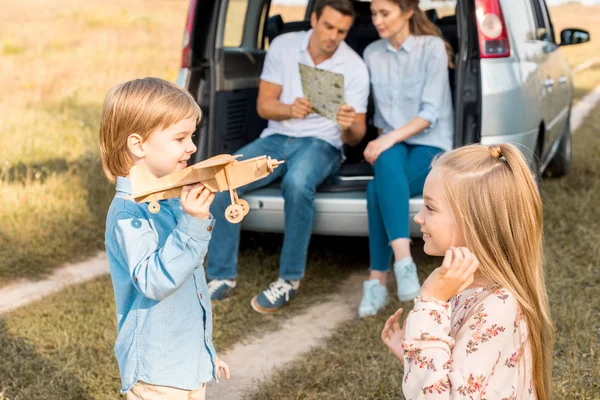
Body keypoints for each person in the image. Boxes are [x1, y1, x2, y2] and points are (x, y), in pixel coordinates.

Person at [207, 0, 370, 313]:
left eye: (342, 31)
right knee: (225, 179)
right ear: (313, 19)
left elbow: (356, 136)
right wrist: (288, 109)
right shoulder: (284, 45)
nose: (333, 36)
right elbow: (264, 106)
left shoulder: (355, 67)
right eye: (328, 27)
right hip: (277, 137)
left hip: (322, 143)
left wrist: (348, 127)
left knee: (297, 184)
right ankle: (222, 276)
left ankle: (289, 279)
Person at [381, 144, 554, 399]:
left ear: (473, 222)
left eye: (430, 207)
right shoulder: (469, 287)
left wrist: (431, 302)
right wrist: (413, 353)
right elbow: (457, 371)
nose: (418, 217)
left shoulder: (497, 308)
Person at [100, 77, 230, 400]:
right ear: (138, 144)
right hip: (157, 372)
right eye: (180, 138)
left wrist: (206, 354)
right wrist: (192, 225)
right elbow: (153, 280)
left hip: (185, 366)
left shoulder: (172, 199)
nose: (193, 147)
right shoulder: (128, 213)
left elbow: (189, 288)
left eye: (192, 136)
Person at [357, 0, 456, 317]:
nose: (377, 21)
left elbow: (429, 114)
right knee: (385, 161)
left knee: (377, 190)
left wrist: (385, 138)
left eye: (385, 13)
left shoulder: (432, 48)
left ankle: (376, 280)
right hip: (393, 143)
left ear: (408, 12)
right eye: (374, 14)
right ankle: (404, 262)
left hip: (431, 141)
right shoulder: (372, 52)